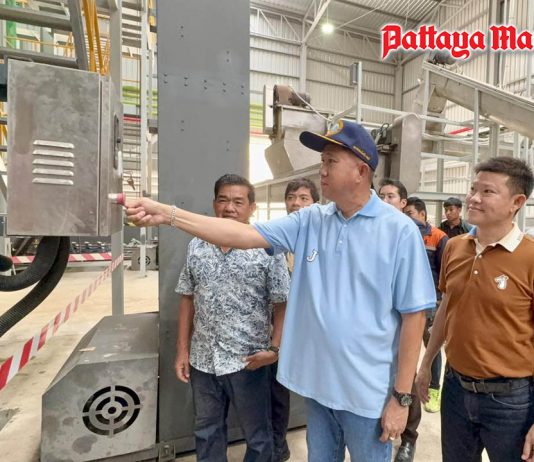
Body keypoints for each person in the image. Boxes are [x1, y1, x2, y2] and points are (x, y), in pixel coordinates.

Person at [126, 120, 436, 461]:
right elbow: (242, 234)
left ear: (361, 171)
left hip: (367, 395)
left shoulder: (399, 232)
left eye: (331, 161)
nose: (322, 169)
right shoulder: (311, 220)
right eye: (322, 161)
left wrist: (401, 398)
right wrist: (167, 214)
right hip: (318, 389)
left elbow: (414, 318)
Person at [415, 157, 534, 462]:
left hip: (511, 402)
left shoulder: (530, 257)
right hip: (456, 389)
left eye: (487, 192)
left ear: (517, 202)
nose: (474, 198)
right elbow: (447, 308)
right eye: (473, 189)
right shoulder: (455, 247)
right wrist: (426, 364)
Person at [174, 174, 290, 461]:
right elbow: (187, 296)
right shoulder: (197, 245)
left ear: (252, 208)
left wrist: (275, 349)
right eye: (223, 200)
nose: (229, 208)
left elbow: (282, 304)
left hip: (248, 361)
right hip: (203, 360)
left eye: (238, 202)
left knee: (258, 436)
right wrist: (183, 350)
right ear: (214, 203)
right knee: (206, 431)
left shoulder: (268, 248)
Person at [378, 184, 448, 462]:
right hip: (381, 314)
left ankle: (409, 436)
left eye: (390, 196)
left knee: (408, 372)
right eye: (381, 196)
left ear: (402, 202)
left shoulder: (416, 232)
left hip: (415, 310)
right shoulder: (372, 229)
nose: (384, 200)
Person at [267, 177, 320, 462]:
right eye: (291, 197)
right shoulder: (277, 239)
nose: (296, 203)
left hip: (312, 329)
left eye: (303, 198)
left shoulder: (321, 240)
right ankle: (278, 446)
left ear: (316, 204)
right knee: (276, 390)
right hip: (279, 329)